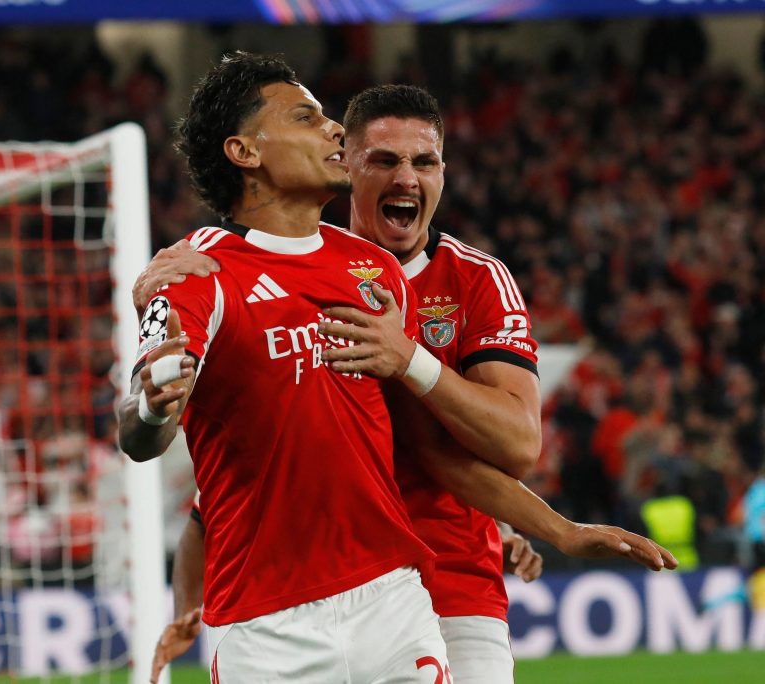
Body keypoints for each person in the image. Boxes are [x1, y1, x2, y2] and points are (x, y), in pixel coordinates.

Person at [138, 84, 678, 684]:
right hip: (295, 594)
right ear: (347, 165)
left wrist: (548, 526)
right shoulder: (259, 271)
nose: (407, 178)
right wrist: (189, 608)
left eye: (425, 163)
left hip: (447, 582)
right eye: (385, 160)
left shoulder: (474, 279)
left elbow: (509, 445)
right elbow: (223, 480)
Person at [118, 52, 452, 683]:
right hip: (265, 628)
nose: (335, 129)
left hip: (391, 598)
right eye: (306, 117)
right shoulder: (193, 274)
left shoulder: (375, 271)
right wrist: (155, 406)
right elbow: (137, 430)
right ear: (245, 152)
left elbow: (408, 442)